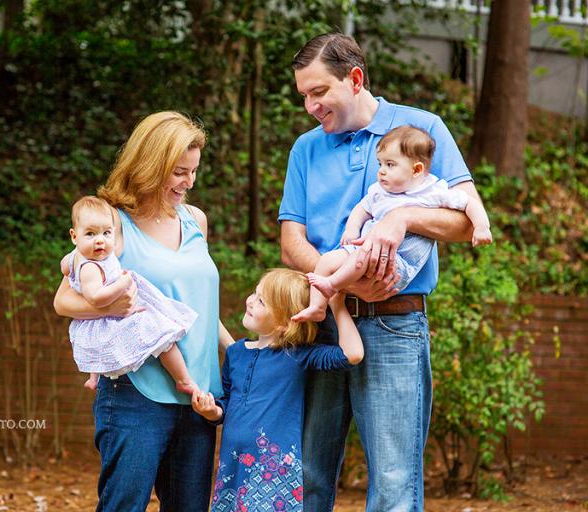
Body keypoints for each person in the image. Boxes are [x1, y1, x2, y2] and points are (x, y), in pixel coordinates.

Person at [279, 33, 487, 511]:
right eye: (303, 96)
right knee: (306, 473)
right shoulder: (305, 150)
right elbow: (292, 242)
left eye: (318, 93)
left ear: (354, 79)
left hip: (395, 323)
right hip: (321, 324)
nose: (310, 106)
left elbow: (464, 218)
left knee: (394, 482)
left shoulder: (421, 128)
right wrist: (341, 279)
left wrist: (404, 217)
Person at [53, 111, 234, 512]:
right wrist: (108, 303)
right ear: (151, 165)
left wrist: (238, 350)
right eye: (179, 172)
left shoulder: (195, 220)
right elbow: (63, 300)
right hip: (136, 394)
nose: (188, 182)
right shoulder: (112, 223)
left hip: (197, 395)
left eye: (193, 172)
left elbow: (198, 304)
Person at [191, 268, 363, 512]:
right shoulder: (235, 353)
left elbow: (352, 354)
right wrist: (213, 411)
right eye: (255, 293)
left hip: (274, 469)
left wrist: (337, 305)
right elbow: (227, 403)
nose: (250, 301)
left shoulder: (297, 356)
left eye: (261, 301)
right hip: (233, 463)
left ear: (285, 322)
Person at [292, 125, 492, 322]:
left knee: (366, 253)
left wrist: (482, 227)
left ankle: (332, 284)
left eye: (390, 165)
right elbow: (362, 208)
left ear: (416, 170)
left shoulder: (432, 192)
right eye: (380, 164)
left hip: (398, 263)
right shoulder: (380, 192)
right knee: (327, 260)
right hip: (363, 252)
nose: (381, 171)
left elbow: (469, 203)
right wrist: (352, 228)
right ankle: (317, 307)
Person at [60, 195, 200, 394]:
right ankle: (183, 379)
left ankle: (94, 378)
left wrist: (71, 263)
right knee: (162, 337)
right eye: (90, 234)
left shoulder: (79, 256)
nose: (100, 240)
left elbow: (65, 266)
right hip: (114, 315)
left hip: (116, 312)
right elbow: (95, 298)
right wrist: (123, 282)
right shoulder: (90, 267)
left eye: (106, 233)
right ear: (75, 236)